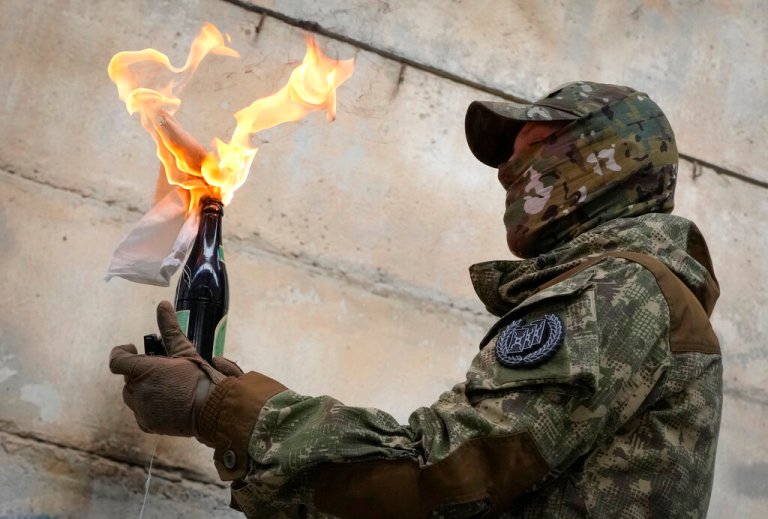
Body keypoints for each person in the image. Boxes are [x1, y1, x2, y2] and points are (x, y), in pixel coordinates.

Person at [110, 81, 722, 518]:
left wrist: (216, 407)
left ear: (599, 162)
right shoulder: (633, 292)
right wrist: (226, 412)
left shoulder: (615, 290)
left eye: (528, 147)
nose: (507, 170)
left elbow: (442, 472)